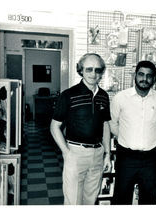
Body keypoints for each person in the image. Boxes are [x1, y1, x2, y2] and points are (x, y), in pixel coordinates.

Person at [50, 53, 112, 205]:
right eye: (89, 69)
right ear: (81, 70)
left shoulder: (104, 96)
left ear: (101, 73)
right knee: (73, 202)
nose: (93, 73)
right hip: (76, 154)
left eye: (97, 70)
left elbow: (105, 125)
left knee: (90, 200)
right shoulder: (68, 95)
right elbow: (54, 126)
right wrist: (66, 152)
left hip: (97, 154)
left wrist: (107, 154)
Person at [109, 60, 156, 204]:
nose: (144, 78)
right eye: (141, 74)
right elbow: (112, 123)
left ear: (154, 79)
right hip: (126, 157)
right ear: (135, 76)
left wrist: (151, 136)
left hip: (151, 158)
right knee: (121, 198)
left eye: (149, 76)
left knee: (149, 198)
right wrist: (125, 138)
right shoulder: (120, 98)